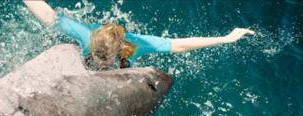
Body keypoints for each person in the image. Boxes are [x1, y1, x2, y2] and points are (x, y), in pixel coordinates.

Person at [24, 0, 255, 70]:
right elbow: (48, 14)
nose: (100, 61)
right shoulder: (86, 34)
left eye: (104, 58)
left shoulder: (137, 45)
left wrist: (226, 38)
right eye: (97, 55)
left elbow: (179, 45)